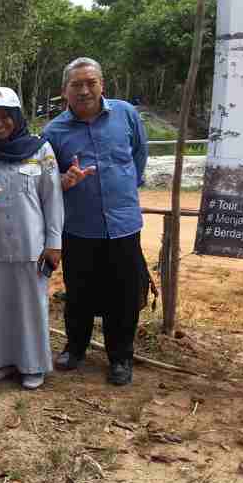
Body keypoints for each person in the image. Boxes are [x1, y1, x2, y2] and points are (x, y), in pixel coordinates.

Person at [42, 57, 148, 386]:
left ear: (103, 84)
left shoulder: (126, 114)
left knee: (124, 296)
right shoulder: (53, 132)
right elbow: (47, 180)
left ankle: (120, 357)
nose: (85, 90)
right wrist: (65, 180)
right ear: (65, 91)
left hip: (123, 225)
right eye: (77, 85)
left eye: (91, 83)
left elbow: (139, 155)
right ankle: (75, 349)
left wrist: (124, 188)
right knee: (79, 294)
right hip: (79, 228)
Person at [0, 87, 64, 389]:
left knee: (30, 308)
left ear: (17, 117)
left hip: (30, 245)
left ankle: (32, 365)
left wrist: (54, 243)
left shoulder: (40, 150)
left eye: (5, 117)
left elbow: (53, 198)